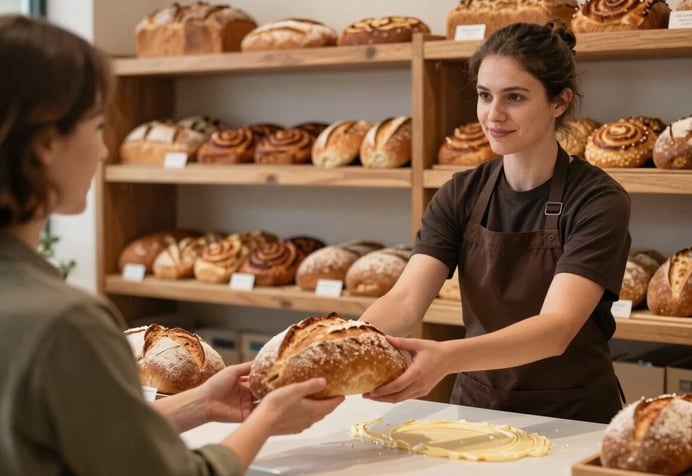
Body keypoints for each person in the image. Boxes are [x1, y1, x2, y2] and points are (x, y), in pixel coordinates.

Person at [0, 14, 343, 476]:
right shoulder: (66, 322)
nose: (105, 151)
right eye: (98, 126)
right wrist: (265, 422)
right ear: (45, 143)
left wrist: (199, 402)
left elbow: (79, 435)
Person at [360, 21, 631, 424]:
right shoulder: (460, 193)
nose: (494, 114)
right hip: (476, 409)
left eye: (515, 97)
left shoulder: (597, 199)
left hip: (572, 417)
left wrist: (445, 358)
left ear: (559, 102)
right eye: (485, 96)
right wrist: (344, 343)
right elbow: (404, 301)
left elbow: (555, 328)